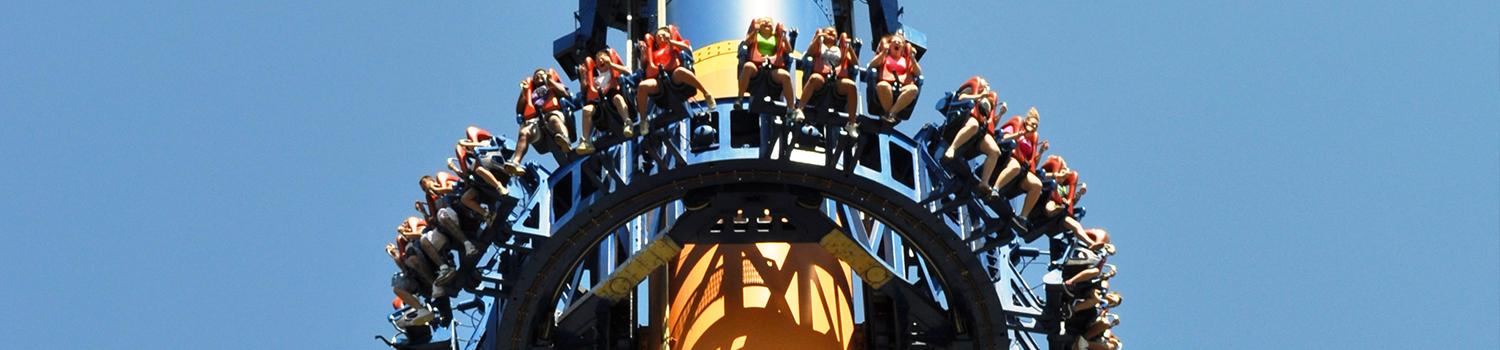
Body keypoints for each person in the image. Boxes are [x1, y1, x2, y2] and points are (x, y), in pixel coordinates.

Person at [636, 25, 713, 132]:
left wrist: (672, 43)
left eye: (664, 34)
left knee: (680, 72)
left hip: (673, 76)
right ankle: (644, 121)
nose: (661, 37)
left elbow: (686, 48)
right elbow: (644, 63)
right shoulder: (653, 52)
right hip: (658, 80)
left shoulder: (674, 45)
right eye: (658, 36)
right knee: (642, 86)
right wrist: (643, 51)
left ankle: (706, 93)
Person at [943, 76, 1008, 198]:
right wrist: (979, 96)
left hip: (981, 131)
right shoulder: (974, 88)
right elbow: (961, 98)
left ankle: (984, 183)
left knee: (995, 151)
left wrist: (1000, 113)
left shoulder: (989, 101)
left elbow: (992, 123)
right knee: (973, 125)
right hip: (966, 119)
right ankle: (952, 148)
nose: (987, 85)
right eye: (985, 82)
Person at [793, 26, 859, 135]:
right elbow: (808, 54)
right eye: (828, 32)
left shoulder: (840, 50)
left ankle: (851, 123)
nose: (831, 33)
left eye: (834, 33)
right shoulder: (819, 46)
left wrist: (849, 47)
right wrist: (817, 39)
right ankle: (799, 109)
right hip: (821, 78)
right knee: (814, 78)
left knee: (851, 86)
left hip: (836, 79)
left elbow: (855, 63)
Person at [510, 68, 573, 174]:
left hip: (552, 113)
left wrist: (551, 82)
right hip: (536, 121)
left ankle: (565, 141)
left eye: (541, 74)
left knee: (554, 120)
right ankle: (515, 162)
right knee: (524, 132)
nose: (538, 76)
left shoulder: (551, 85)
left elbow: (565, 94)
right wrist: (524, 93)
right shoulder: (531, 92)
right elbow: (519, 111)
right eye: (535, 76)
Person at [992, 107, 1047, 225]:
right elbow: (1002, 137)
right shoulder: (1016, 125)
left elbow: (1032, 163)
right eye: (1032, 124)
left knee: (1037, 185)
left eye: (1035, 127)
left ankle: (1023, 217)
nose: (1033, 128)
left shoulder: (1031, 140)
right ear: (1026, 121)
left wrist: (1041, 152)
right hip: (1007, 158)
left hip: (1022, 170)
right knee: (1015, 167)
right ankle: (995, 188)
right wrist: (1017, 135)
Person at [736, 17, 796, 116]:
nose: (767, 22)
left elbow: (789, 51)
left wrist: (784, 37)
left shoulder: (777, 38)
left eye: (769, 21)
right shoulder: (756, 35)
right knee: (748, 66)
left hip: (772, 68)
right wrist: (754, 31)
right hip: (757, 67)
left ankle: (791, 108)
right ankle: (740, 99)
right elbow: (746, 43)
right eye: (763, 21)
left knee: (785, 76)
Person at [578, 47, 635, 149]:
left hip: (612, 96)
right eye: (597, 59)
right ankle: (586, 141)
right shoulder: (596, 79)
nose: (600, 60)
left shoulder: (613, 70)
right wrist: (583, 77)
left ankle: (627, 122)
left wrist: (611, 65)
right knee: (586, 109)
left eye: (602, 57)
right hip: (599, 103)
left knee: (617, 98)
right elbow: (584, 91)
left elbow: (628, 72)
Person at [867, 31, 922, 123]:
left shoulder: (907, 60)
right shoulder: (885, 57)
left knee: (913, 89)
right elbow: (871, 65)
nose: (897, 43)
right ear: (890, 45)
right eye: (894, 41)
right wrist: (883, 52)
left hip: (902, 88)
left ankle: (891, 113)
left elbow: (918, 73)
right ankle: (888, 114)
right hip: (886, 86)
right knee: (883, 85)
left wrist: (912, 58)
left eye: (900, 42)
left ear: (903, 47)